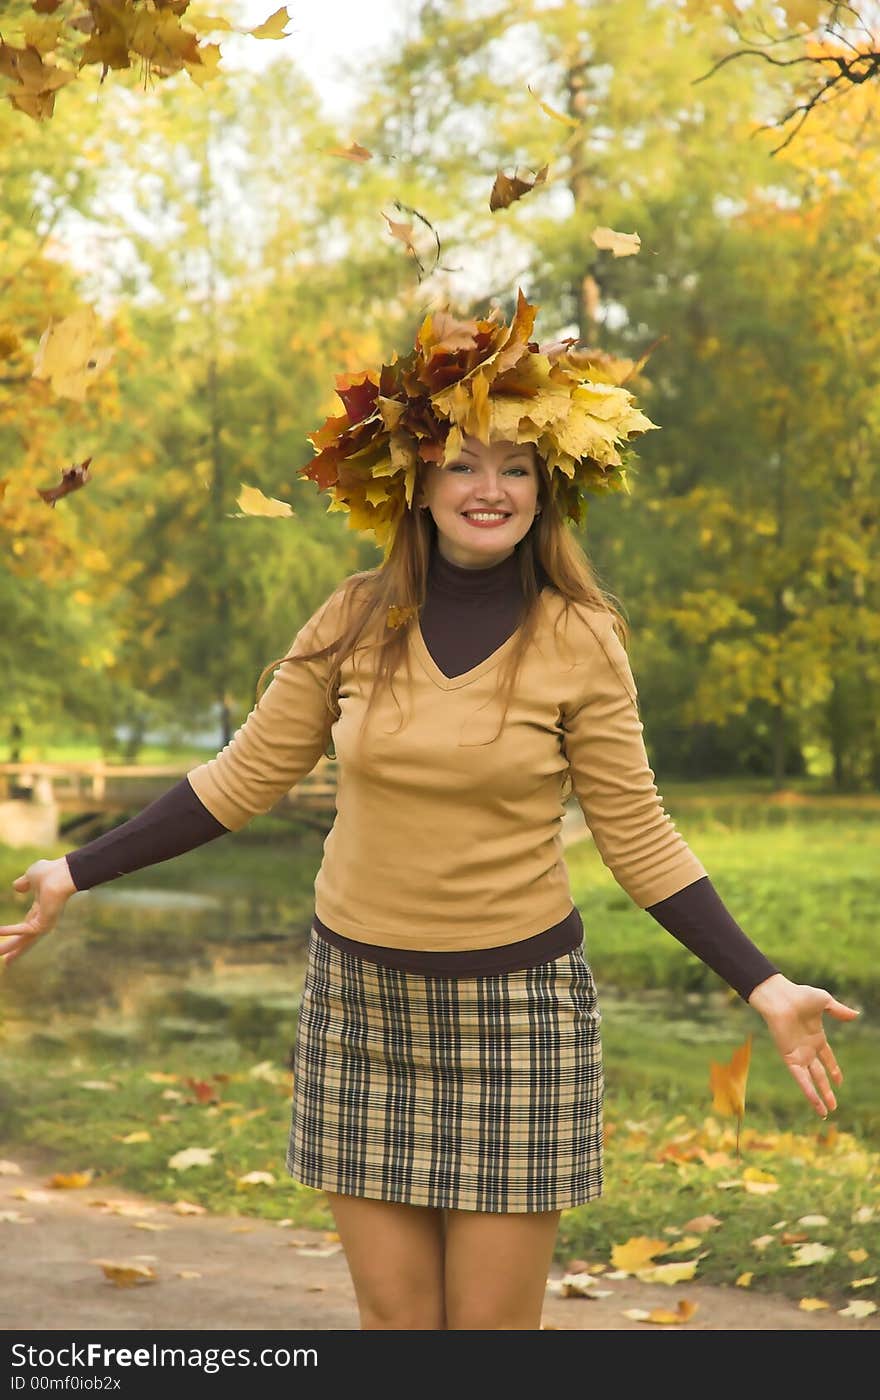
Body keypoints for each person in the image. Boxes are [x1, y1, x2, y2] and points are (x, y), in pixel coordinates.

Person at [1, 290, 859, 1331]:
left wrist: (762, 983)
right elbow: (238, 780)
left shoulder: (581, 638)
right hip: (356, 1009)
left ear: (549, 489)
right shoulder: (350, 621)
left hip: (517, 1017)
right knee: (397, 1326)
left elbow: (638, 835)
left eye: (516, 467)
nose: (488, 487)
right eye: (462, 461)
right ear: (416, 481)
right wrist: (71, 871)